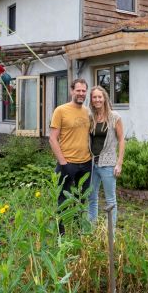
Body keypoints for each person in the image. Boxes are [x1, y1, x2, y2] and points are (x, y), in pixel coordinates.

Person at [49, 78, 92, 234]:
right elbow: (52, 138)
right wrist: (63, 162)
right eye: (78, 90)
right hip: (67, 163)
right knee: (63, 199)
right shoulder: (60, 110)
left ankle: (78, 230)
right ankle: (62, 233)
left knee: (81, 198)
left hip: (86, 163)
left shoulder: (88, 112)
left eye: (83, 91)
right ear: (72, 91)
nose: (81, 93)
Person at [87, 85, 125, 230]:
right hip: (92, 164)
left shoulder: (114, 117)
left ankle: (111, 233)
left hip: (108, 165)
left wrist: (119, 163)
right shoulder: (91, 117)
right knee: (92, 198)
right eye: (94, 97)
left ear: (104, 98)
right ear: (91, 100)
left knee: (110, 200)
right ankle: (91, 229)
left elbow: (121, 140)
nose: (97, 100)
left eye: (99, 97)